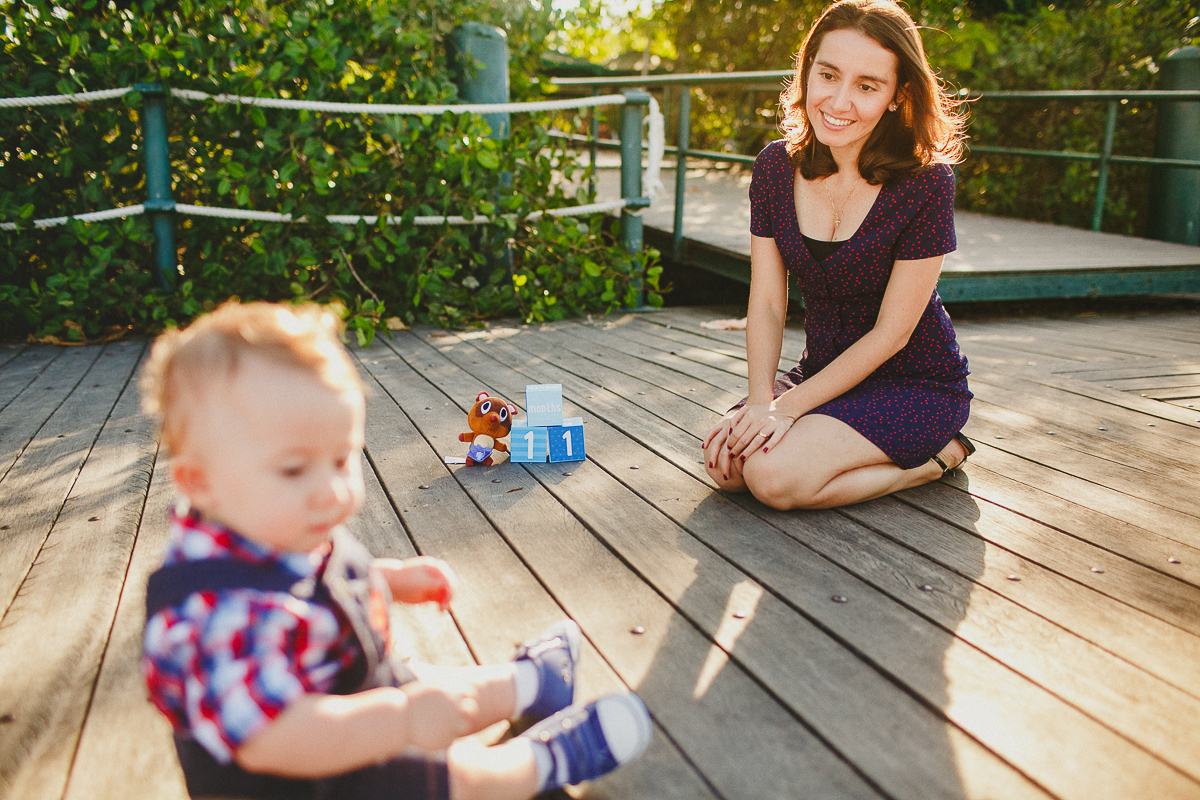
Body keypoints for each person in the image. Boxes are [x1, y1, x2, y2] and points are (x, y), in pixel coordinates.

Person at [139, 301, 652, 800]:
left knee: (426, 686)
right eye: (293, 469)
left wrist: (387, 578)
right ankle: (545, 761)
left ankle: (529, 684)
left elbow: (309, 583)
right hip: (303, 776)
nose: (333, 491)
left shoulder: (273, 523)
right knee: (449, 778)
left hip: (350, 693)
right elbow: (273, 738)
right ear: (200, 482)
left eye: (343, 459)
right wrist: (401, 720)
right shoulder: (209, 617)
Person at [702, 0, 976, 510]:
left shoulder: (927, 183)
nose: (839, 101)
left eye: (867, 86)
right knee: (727, 466)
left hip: (913, 382)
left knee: (771, 477)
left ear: (897, 96)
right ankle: (819, 439)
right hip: (822, 374)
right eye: (828, 75)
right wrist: (762, 402)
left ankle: (937, 458)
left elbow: (892, 334)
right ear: (807, 71)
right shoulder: (774, 168)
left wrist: (786, 411)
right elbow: (767, 302)